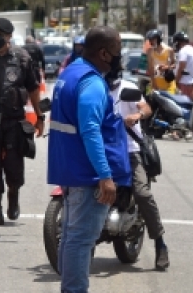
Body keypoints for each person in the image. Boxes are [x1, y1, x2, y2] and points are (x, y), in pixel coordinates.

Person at [48, 26, 132, 293]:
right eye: (118, 50)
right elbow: (90, 130)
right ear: (105, 53)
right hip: (88, 175)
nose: (120, 57)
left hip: (73, 169)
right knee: (81, 239)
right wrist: (105, 176)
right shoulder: (92, 82)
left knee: (72, 236)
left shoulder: (71, 72)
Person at [0, 18, 44, 226]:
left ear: (9, 37)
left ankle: (13, 195)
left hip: (14, 121)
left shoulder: (22, 58)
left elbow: (33, 88)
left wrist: (39, 116)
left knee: (14, 166)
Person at [105, 68, 170, 271]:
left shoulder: (128, 88)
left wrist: (137, 114)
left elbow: (146, 108)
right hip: (103, 149)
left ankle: (160, 243)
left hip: (130, 151)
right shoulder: (94, 87)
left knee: (142, 192)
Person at [146, 29, 176, 94]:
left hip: (168, 83)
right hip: (156, 83)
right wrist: (154, 84)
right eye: (150, 40)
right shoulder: (150, 51)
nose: (151, 42)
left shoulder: (169, 50)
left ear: (159, 39)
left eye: (153, 39)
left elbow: (174, 64)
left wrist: (168, 67)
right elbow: (150, 69)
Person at [172, 32, 193, 98]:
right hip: (190, 82)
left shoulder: (183, 51)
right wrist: (192, 68)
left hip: (183, 83)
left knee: (181, 104)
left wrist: (176, 81)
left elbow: (182, 67)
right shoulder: (192, 49)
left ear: (178, 42)